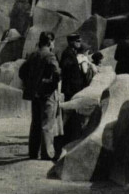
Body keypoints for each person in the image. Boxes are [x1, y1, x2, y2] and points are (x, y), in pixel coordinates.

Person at [18, 31, 61, 161]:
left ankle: (33, 153)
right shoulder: (50, 56)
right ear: (49, 42)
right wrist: (49, 84)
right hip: (47, 94)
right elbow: (57, 73)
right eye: (53, 42)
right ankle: (46, 153)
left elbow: (21, 72)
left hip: (34, 94)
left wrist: (30, 85)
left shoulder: (32, 55)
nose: (53, 44)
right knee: (47, 124)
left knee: (35, 123)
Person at [59, 34, 94, 101]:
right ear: (71, 42)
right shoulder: (67, 53)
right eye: (77, 41)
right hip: (71, 88)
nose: (79, 43)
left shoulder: (72, 52)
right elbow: (66, 70)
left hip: (74, 87)